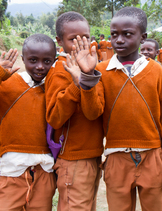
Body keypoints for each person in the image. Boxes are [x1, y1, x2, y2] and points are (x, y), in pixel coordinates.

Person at [78, 7, 162, 211]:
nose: (119, 40)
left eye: (127, 34)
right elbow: (92, 113)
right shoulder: (100, 71)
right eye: (114, 34)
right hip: (116, 158)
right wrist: (88, 78)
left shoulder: (156, 71)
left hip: (152, 156)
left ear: (143, 37)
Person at [0, 34, 57, 211]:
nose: (40, 66)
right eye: (33, 60)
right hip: (12, 170)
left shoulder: (54, 86)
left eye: (47, 61)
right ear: (23, 59)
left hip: (43, 169)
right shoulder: (6, 81)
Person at [46, 12, 104, 211]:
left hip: (93, 154)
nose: (81, 43)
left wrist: (87, 77)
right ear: (59, 41)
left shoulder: (94, 68)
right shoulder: (59, 71)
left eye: (86, 37)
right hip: (72, 158)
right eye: (73, 39)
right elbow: (54, 118)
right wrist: (76, 84)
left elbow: (93, 112)